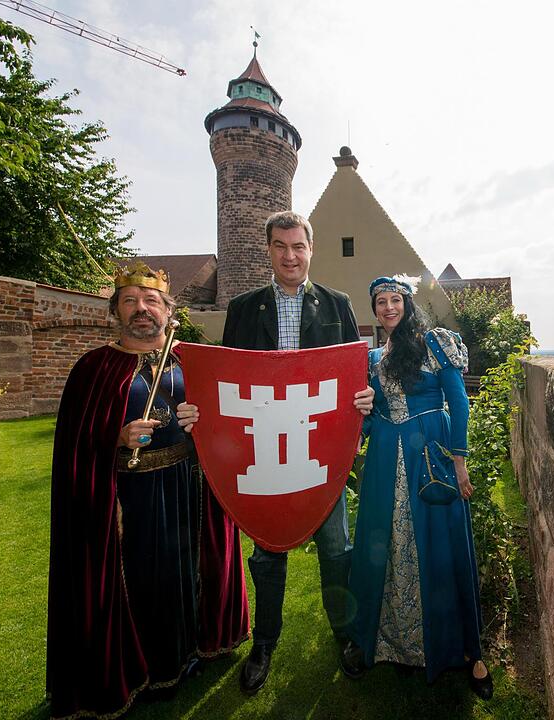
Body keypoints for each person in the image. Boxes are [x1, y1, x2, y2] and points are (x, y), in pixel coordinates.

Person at [47, 262, 250, 719]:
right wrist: (116, 437)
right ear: (115, 311)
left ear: (167, 309)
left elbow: (225, 417)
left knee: (187, 571)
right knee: (142, 581)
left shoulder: (189, 359)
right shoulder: (94, 368)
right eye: (130, 301)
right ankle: (143, 668)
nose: (142, 310)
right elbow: (76, 444)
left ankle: (190, 652)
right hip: (128, 498)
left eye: (151, 301)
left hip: (188, 487)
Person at [222, 210, 374, 694]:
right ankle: (264, 642)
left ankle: (344, 633)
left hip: (320, 446)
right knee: (268, 550)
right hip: (266, 446)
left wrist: (364, 398)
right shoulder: (244, 308)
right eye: (281, 246)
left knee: (335, 547)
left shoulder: (337, 304)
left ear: (311, 249)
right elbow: (230, 378)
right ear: (269, 250)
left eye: (299, 246)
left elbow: (354, 372)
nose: (290, 256)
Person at [346, 275, 493, 699]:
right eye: (381, 302)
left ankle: (469, 652)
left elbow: (459, 400)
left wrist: (459, 462)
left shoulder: (435, 342)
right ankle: (394, 642)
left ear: (408, 304)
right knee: (383, 542)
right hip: (384, 456)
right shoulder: (373, 357)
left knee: (442, 547)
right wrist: (359, 423)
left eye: (395, 300)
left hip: (431, 452)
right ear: (374, 310)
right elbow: (373, 417)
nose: (388, 308)